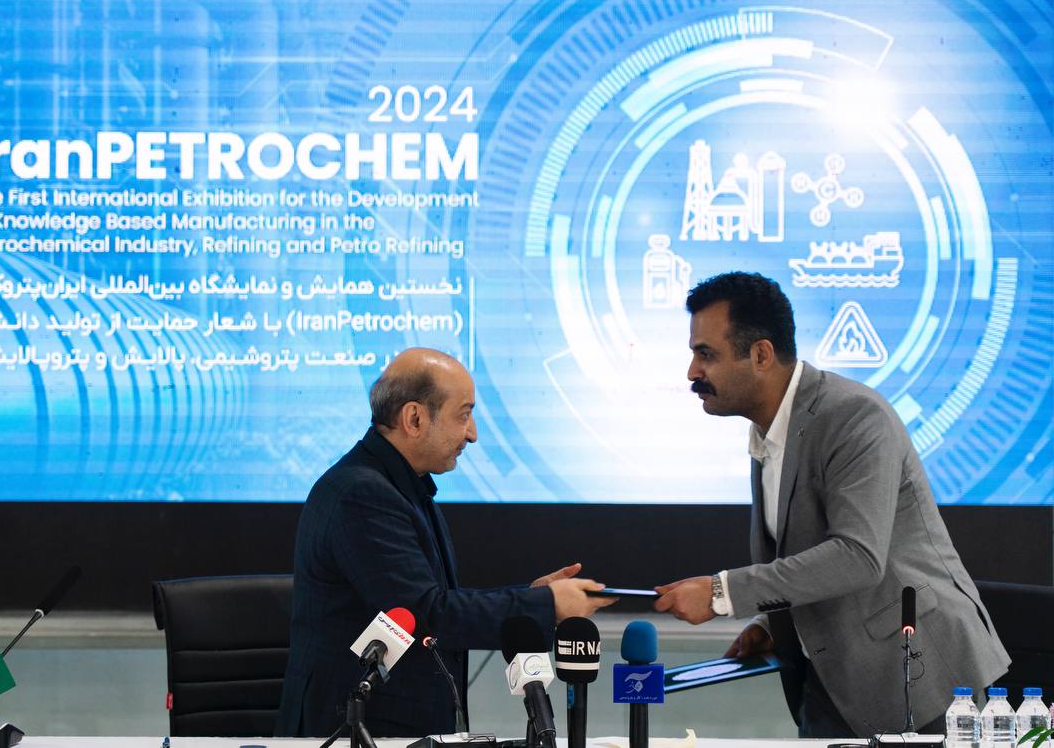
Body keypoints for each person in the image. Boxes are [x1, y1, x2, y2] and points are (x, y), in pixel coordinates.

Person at [654, 272, 1009, 738]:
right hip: (831, 680)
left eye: (706, 354)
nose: (692, 372)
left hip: (918, 678)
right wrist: (773, 623)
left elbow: (858, 557)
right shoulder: (769, 430)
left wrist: (724, 593)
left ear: (760, 355)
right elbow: (806, 549)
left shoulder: (854, 416)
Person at [275, 347, 614, 738]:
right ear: (415, 418)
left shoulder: (402, 486)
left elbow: (434, 600)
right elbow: (426, 616)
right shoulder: (362, 494)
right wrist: (546, 605)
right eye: (464, 414)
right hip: (357, 732)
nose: (473, 433)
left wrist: (533, 596)